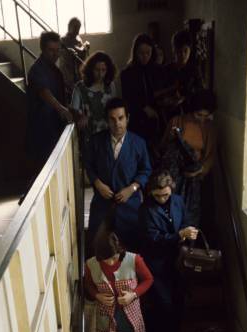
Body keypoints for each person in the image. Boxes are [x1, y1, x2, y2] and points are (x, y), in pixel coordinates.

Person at [139, 169, 198, 332]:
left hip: (179, 261)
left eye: (165, 195)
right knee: (163, 305)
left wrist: (190, 232)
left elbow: (187, 220)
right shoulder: (145, 209)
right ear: (151, 193)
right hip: (157, 264)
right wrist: (179, 234)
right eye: (158, 196)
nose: (162, 199)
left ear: (171, 189)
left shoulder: (178, 201)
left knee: (179, 303)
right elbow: (153, 238)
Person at [84, 97, 151, 251]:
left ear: (127, 118)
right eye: (112, 119)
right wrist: (97, 183)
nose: (117, 123)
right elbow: (88, 165)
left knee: (130, 246)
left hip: (129, 205)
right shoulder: (96, 141)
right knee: (97, 244)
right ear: (107, 120)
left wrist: (132, 188)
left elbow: (146, 170)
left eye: (121, 118)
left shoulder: (138, 143)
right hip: (102, 203)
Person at [84, 228, 153, 332]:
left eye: (113, 257)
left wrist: (133, 295)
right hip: (104, 316)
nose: (110, 262)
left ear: (119, 249)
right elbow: (88, 284)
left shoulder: (133, 259)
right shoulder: (90, 264)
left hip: (129, 315)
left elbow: (148, 280)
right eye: (105, 259)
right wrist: (97, 296)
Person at [161, 89, 217, 227]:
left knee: (189, 217)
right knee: (170, 214)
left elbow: (211, 156)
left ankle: (186, 246)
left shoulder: (209, 128)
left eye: (206, 116)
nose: (202, 119)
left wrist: (199, 171)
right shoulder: (177, 122)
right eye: (199, 115)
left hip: (194, 179)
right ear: (192, 110)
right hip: (173, 177)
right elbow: (162, 148)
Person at [26, 31, 73, 177]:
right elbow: (44, 92)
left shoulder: (56, 71)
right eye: (51, 50)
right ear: (43, 49)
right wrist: (62, 110)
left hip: (57, 126)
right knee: (46, 172)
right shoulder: (36, 70)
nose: (55, 54)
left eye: (58, 50)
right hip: (43, 130)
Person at [120, 33, 161, 149]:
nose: (145, 56)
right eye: (141, 53)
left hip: (157, 119)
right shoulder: (127, 73)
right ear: (135, 53)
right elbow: (127, 99)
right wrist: (143, 107)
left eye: (148, 53)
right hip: (137, 121)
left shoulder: (157, 70)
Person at [71, 51, 117, 146]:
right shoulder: (80, 87)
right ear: (90, 69)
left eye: (103, 70)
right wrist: (80, 117)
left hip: (108, 134)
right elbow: (73, 110)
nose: (100, 74)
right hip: (88, 136)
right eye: (97, 70)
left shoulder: (110, 85)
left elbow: (115, 108)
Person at [159, 29, 204, 119]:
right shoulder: (166, 70)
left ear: (190, 50)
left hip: (190, 114)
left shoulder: (194, 70)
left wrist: (185, 97)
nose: (182, 55)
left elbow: (200, 92)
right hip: (169, 116)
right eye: (179, 51)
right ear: (174, 51)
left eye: (185, 51)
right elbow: (160, 94)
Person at [60, 17, 90, 99]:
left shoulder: (78, 39)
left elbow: (81, 57)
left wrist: (85, 47)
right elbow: (75, 51)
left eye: (79, 28)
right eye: (75, 27)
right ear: (69, 26)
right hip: (68, 74)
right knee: (71, 96)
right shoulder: (63, 40)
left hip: (78, 72)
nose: (77, 30)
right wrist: (84, 47)